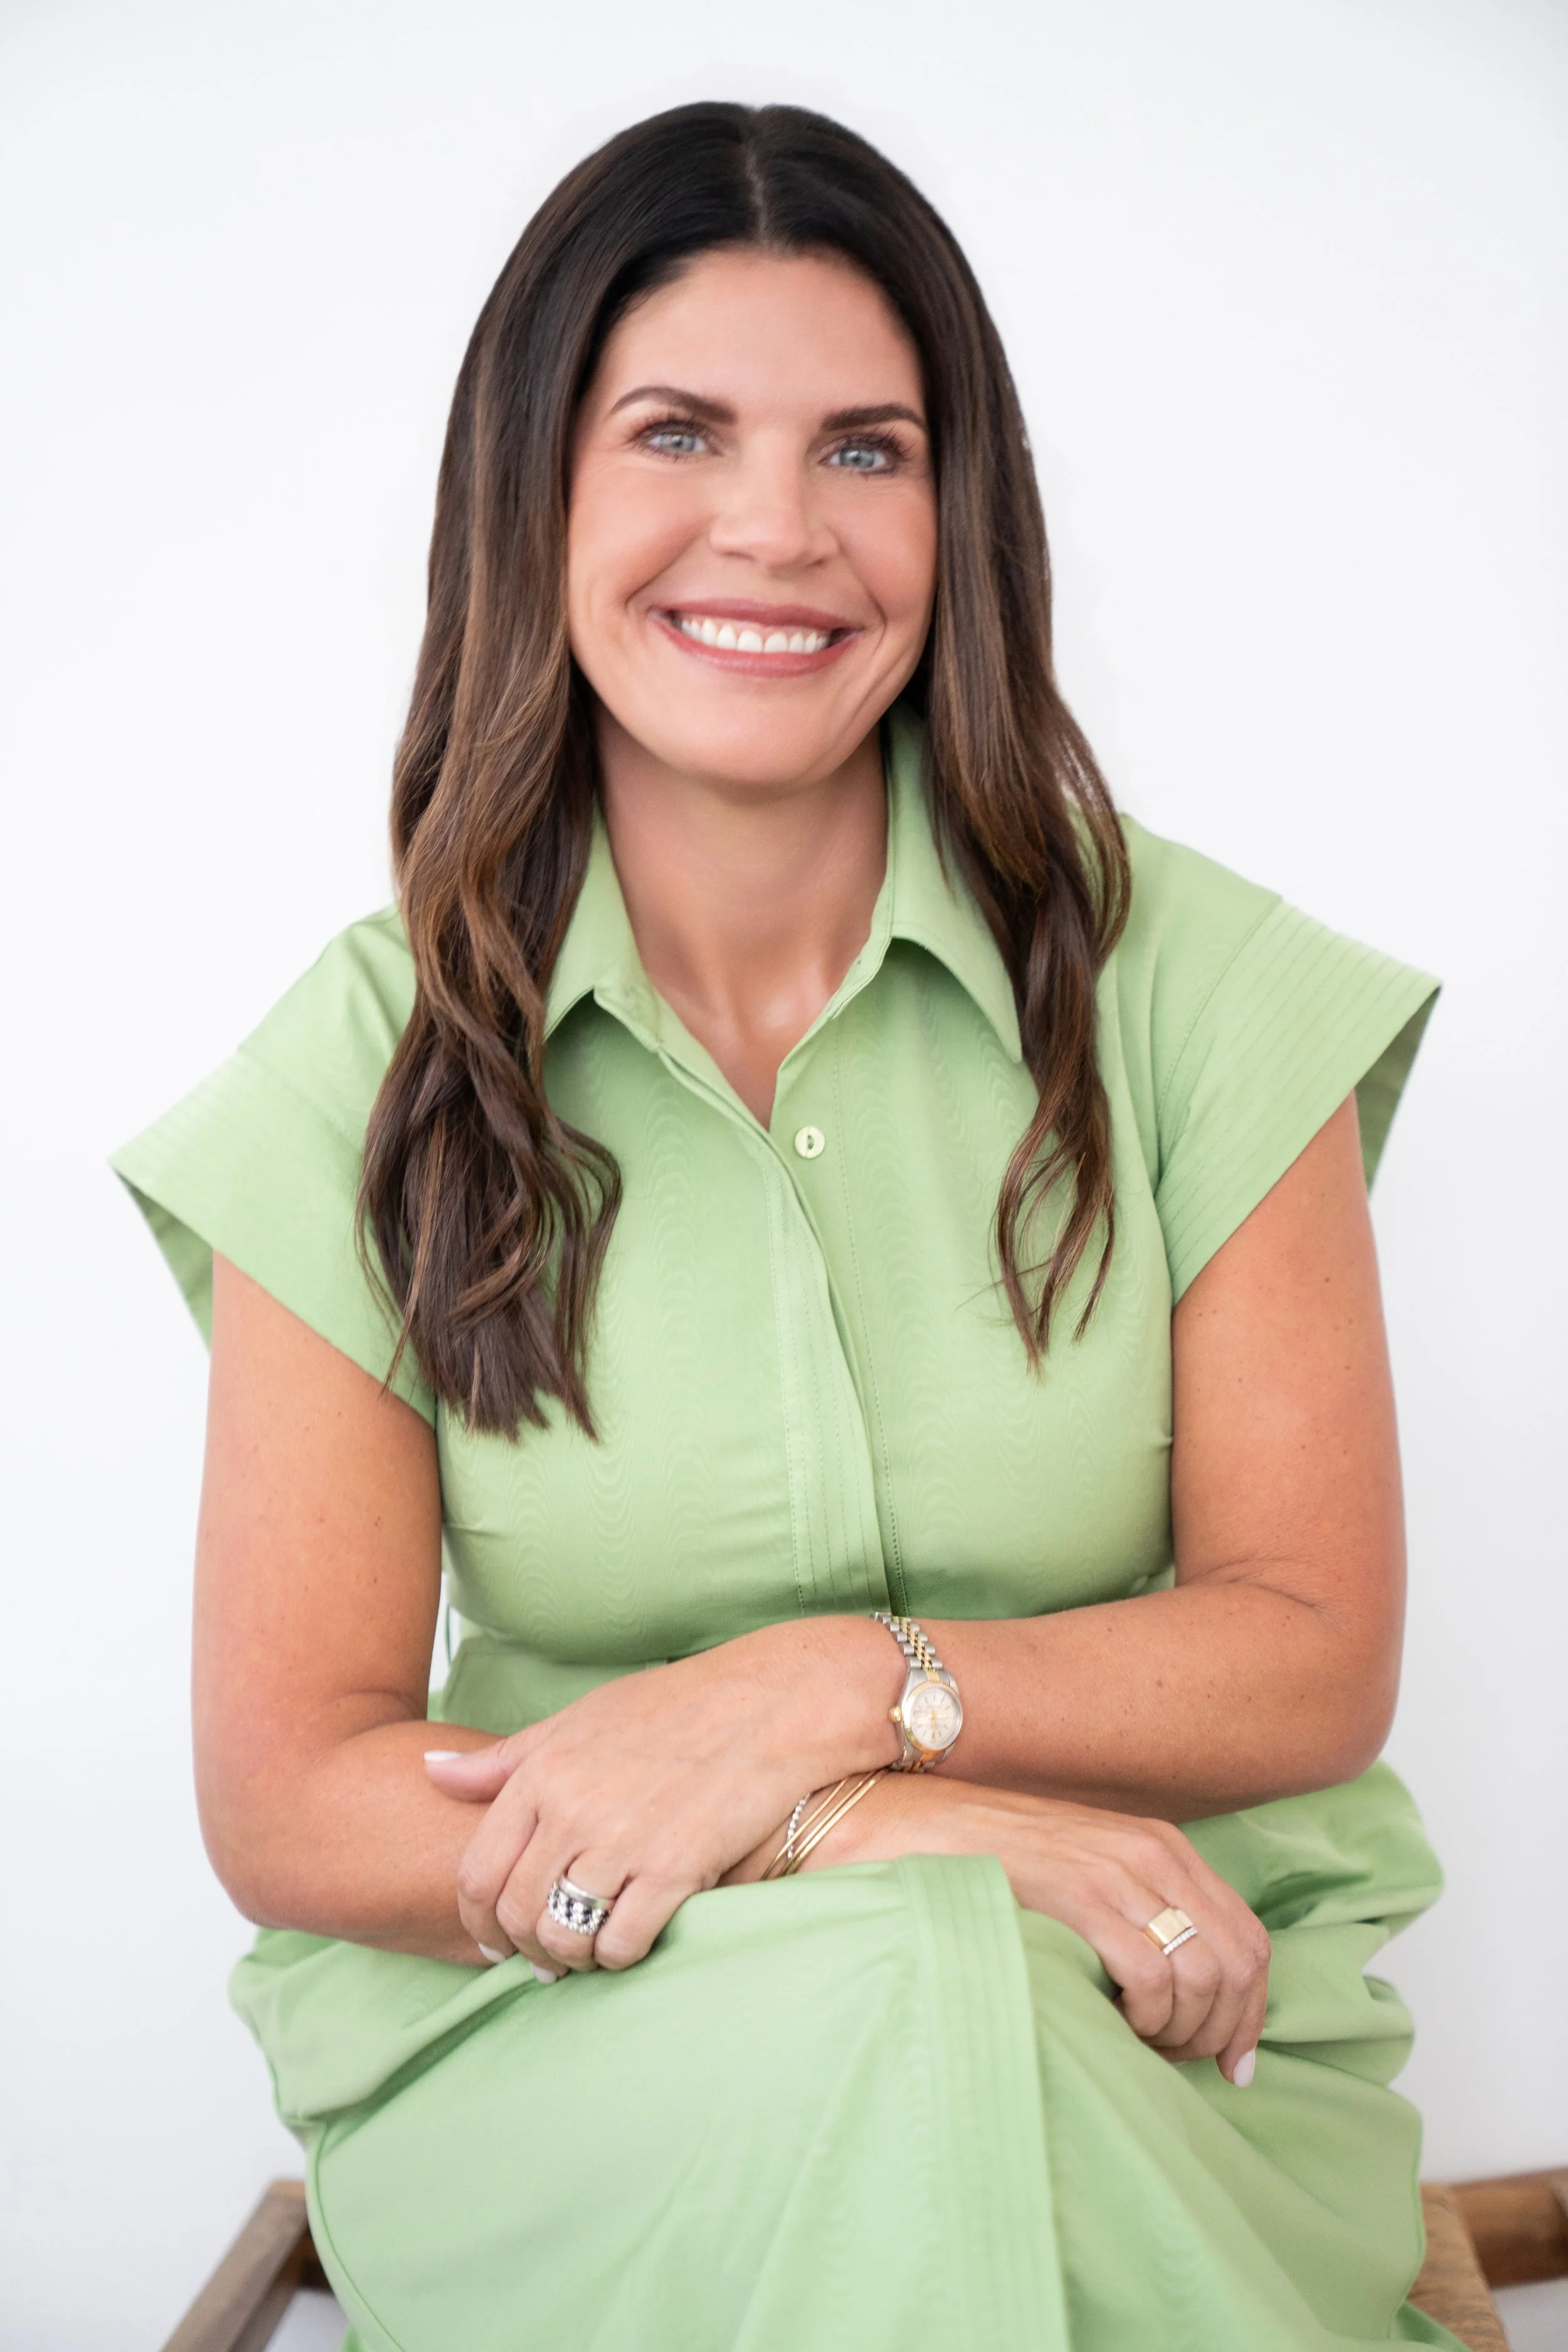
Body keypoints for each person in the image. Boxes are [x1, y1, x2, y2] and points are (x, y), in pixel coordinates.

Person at [114, 101, 1459, 2352]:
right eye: (674, 432)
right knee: (903, 2004)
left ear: (963, 517)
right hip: (576, 2031)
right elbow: (291, 1792)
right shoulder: (361, 1068)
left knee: (963, 2041)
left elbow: (1311, 1637)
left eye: (865, 449)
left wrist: (832, 1689)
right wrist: (875, 1826)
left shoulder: (1202, 997)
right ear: (530, 493)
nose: (775, 526)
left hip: (1157, 2013)